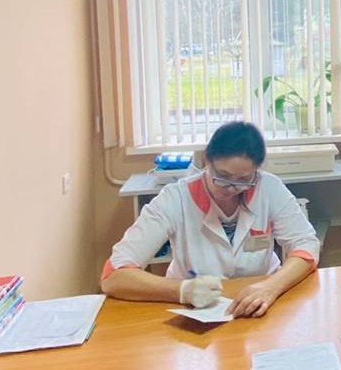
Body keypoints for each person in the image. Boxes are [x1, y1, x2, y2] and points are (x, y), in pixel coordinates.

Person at [101, 122, 319, 318]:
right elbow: (114, 276)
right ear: (207, 160)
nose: (232, 188)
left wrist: (271, 287)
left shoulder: (268, 188)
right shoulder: (176, 198)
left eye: (244, 179)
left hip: (259, 304)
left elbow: (306, 246)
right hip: (193, 313)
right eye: (222, 176)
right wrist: (182, 290)